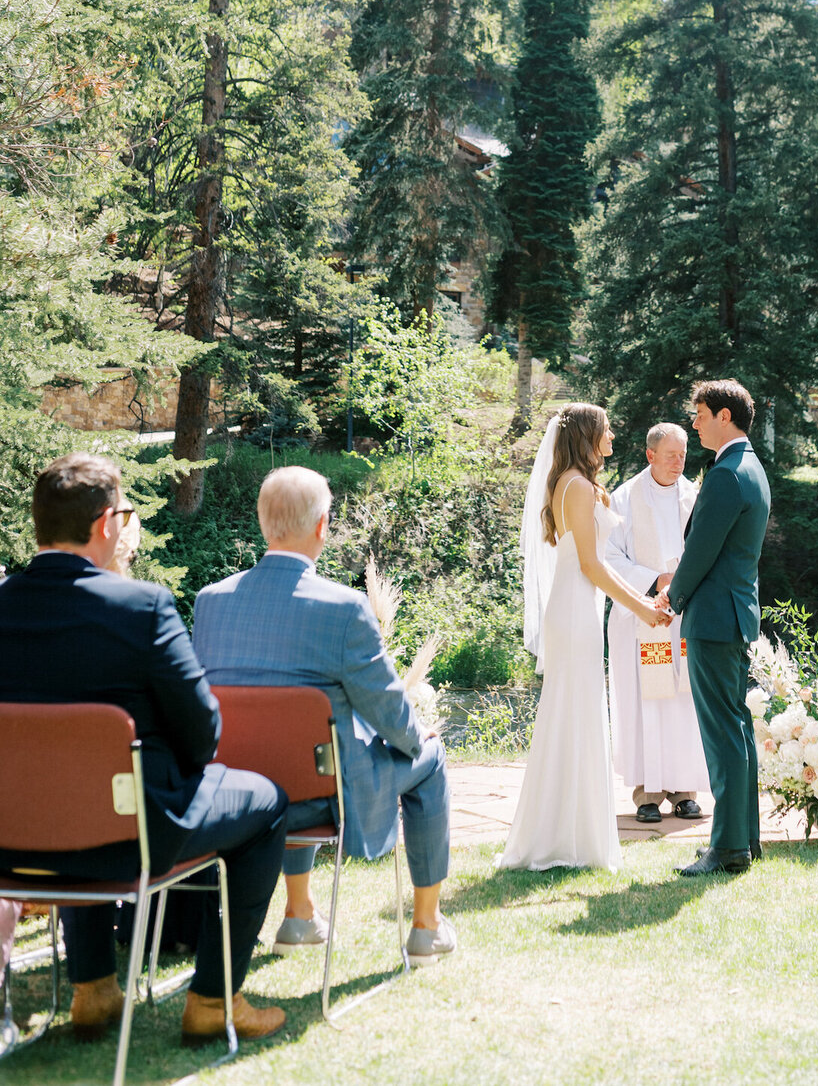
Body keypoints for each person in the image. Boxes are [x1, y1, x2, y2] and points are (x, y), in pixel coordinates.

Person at [0, 454, 287, 1045]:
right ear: (107, 524)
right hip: (129, 839)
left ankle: (94, 988)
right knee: (269, 802)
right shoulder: (141, 608)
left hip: (12, 845)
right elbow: (202, 729)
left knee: (77, 794)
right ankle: (214, 998)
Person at [193, 465, 454, 965]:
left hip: (241, 789)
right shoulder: (344, 608)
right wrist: (416, 735)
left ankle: (299, 914)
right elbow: (387, 709)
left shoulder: (211, 602)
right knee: (430, 756)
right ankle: (426, 927)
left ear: (264, 522)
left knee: (286, 754)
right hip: (322, 794)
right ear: (321, 525)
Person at [500, 404, 670, 872]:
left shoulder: (580, 485)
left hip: (580, 609)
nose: (613, 437)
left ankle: (572, 834)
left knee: (580, 717)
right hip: (574, 611)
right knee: (572, 718)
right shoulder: (574, 487)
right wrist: (642, 609)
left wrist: (643, 598)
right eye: (606, 430)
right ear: (587, 437)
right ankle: (561, 838)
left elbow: (603, 562)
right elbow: (593, 567)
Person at [657, 380, 770, 877]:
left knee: (723, 734)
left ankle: (727, 849)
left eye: (700, 414)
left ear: (725, 416)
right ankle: (744, 839)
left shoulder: (726, 474)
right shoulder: (752, 469)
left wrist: (670, 597)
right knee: (737, 729)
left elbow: (701, 549)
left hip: (714, 618)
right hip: (735, 614)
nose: (695, 422)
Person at [606, 422, 708, 823]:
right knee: (651, 700)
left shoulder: (693, 495)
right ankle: (647, 793)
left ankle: (684, 791)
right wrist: (656, 580)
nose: (679, 462)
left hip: (683, 618)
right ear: (650, 455)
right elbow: (608, 557)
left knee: (683, 699)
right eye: (671, 455)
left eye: (683, 455)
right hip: (644, 615)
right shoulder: (625, 498)